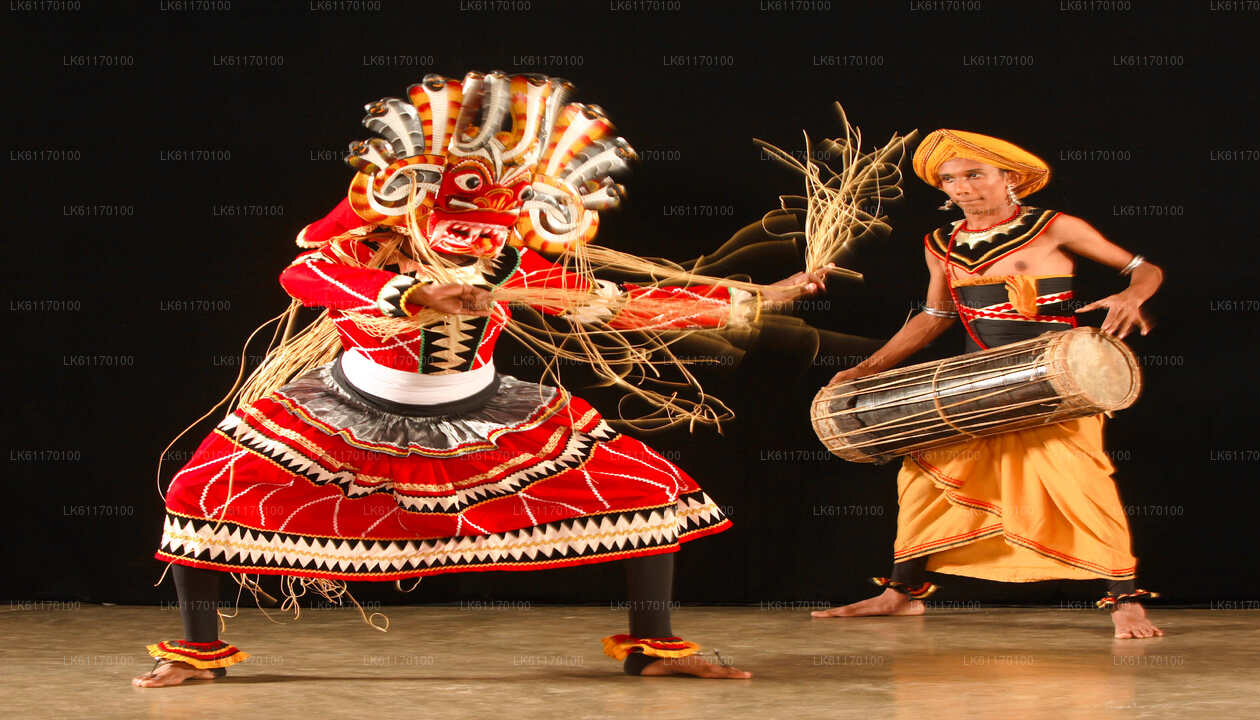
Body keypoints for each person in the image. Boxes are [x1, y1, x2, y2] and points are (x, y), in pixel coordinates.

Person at [133, 71, 830, 687]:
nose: (476, 242)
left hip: (485, 411)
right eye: (460, 226)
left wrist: (756, 297)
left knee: (648, 487)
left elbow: (620, 306)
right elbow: (302, 274)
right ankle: (195, 649)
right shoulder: (366, 255)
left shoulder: (514, 268)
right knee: (200, 490)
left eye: (493, 231)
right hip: (344, 408)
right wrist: (412, 296)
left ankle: (654, 644)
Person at [811, 129, 1164, 639]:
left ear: (1011, 178)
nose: (962, 187)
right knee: (925, 477)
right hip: (977, 382)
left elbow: (1143, 268)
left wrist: (1132, 296)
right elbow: (934, 316)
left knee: (1077, 480)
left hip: (1053, 378)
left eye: (974, 174)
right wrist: (867, 368)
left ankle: (1125, 601)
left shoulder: (1055, 227)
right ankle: (901, 594)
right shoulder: (941, 243)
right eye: (951, 179)